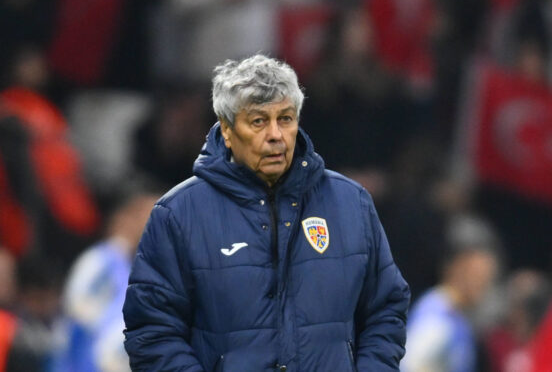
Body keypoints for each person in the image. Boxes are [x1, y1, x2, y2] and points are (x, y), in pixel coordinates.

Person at [122, 54, 410, 371]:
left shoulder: (351, 203)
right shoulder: (178, 214)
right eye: (258, 121)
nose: (275, 135)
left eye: (285, 119)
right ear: (228, 131)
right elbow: (153, 332)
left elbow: (385, 310)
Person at [52, 185, 159, 372]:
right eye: (153, 216)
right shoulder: (102, 260)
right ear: (128, 218)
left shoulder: (137, 273)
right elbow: (78, 311)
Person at [401, 235, 498, 372]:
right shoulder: (436, 315)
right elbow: (409, 364)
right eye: (478, 276)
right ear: (457, 269)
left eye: (487, 279)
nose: (483, 286)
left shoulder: (457, 317)